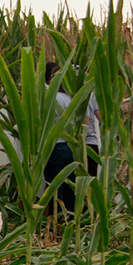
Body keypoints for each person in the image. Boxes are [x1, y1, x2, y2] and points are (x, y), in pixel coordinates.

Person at [43, 62, 76, 211]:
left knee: (55, 188)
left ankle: (56, 221)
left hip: (54, 147)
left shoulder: (52, 97)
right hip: (70, 147)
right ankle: (69, 217)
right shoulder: (70, 99)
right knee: (69, 188)